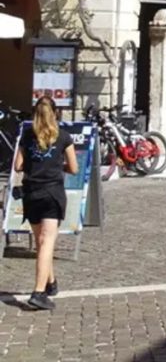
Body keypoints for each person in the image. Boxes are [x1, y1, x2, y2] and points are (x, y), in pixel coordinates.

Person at [14, 96, 78, 311]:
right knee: (47, 241)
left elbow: (18, 165)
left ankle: (50, 283)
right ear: (55, 113)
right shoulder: (64, 137)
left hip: (31, 193)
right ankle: (38, 292)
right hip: (52, 192)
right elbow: (74, 168)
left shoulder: (27, 136)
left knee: (41, 241)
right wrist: (57, 166)